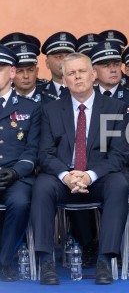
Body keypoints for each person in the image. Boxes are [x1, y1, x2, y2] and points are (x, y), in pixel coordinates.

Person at [31, 53, 129, 285]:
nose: (77, 77)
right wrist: (67, 176)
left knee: (119, 184)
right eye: (71, 74)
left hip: (97, 178)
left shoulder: (114, 108)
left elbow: (116, 155)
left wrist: (88, 175)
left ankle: (105, 260)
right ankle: (46, 262)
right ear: (64, 80)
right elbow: (45, 154)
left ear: (93, 74)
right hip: (63, 179)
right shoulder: (51, 110)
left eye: (82, 71)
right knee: (42, 186)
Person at [0, 45, 41, 282]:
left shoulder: (30, 108)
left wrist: (16, 172)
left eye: (1, 67)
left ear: (12, 72)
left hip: (16, 176)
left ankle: (5, 261)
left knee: (20, 202)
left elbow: (33, 150)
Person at [40, 32, 78, 103]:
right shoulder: (38, 93)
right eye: (58, 57)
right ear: (47, 63)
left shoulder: (87, 91)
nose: (64, 61)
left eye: (68, 56)